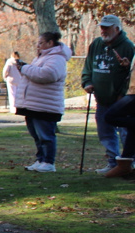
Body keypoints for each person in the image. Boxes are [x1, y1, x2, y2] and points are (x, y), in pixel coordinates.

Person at [81, 14, 135, 174]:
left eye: (107, 28)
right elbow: (88, 66)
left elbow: (131, 76)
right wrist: (87, 82)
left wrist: (122, 93)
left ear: (117, 29)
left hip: (122, 98)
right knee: (105, 131)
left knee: (126, 131)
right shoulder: (96, 44)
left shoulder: (128, 46)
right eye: (102, 27)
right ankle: (113, 162)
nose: (103, 30)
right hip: (101, 97)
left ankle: (129, 162)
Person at [15, 32, 72, 173]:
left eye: (41, 43)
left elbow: (47, 75)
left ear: (50, 43)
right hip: (33, 104)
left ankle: (48, 162)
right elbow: (35, 73)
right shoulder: (41, 58)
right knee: (37, 136)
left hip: (46, 105)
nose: (37, 45)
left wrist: (25, 68)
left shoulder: (57, 58)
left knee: (46, 136)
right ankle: (40, 159)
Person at [102, 49, 135, 178]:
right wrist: (128, 66)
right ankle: (125, 164)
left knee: (111, 116)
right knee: (132, 127)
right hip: (131, 91)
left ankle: (125, 164)